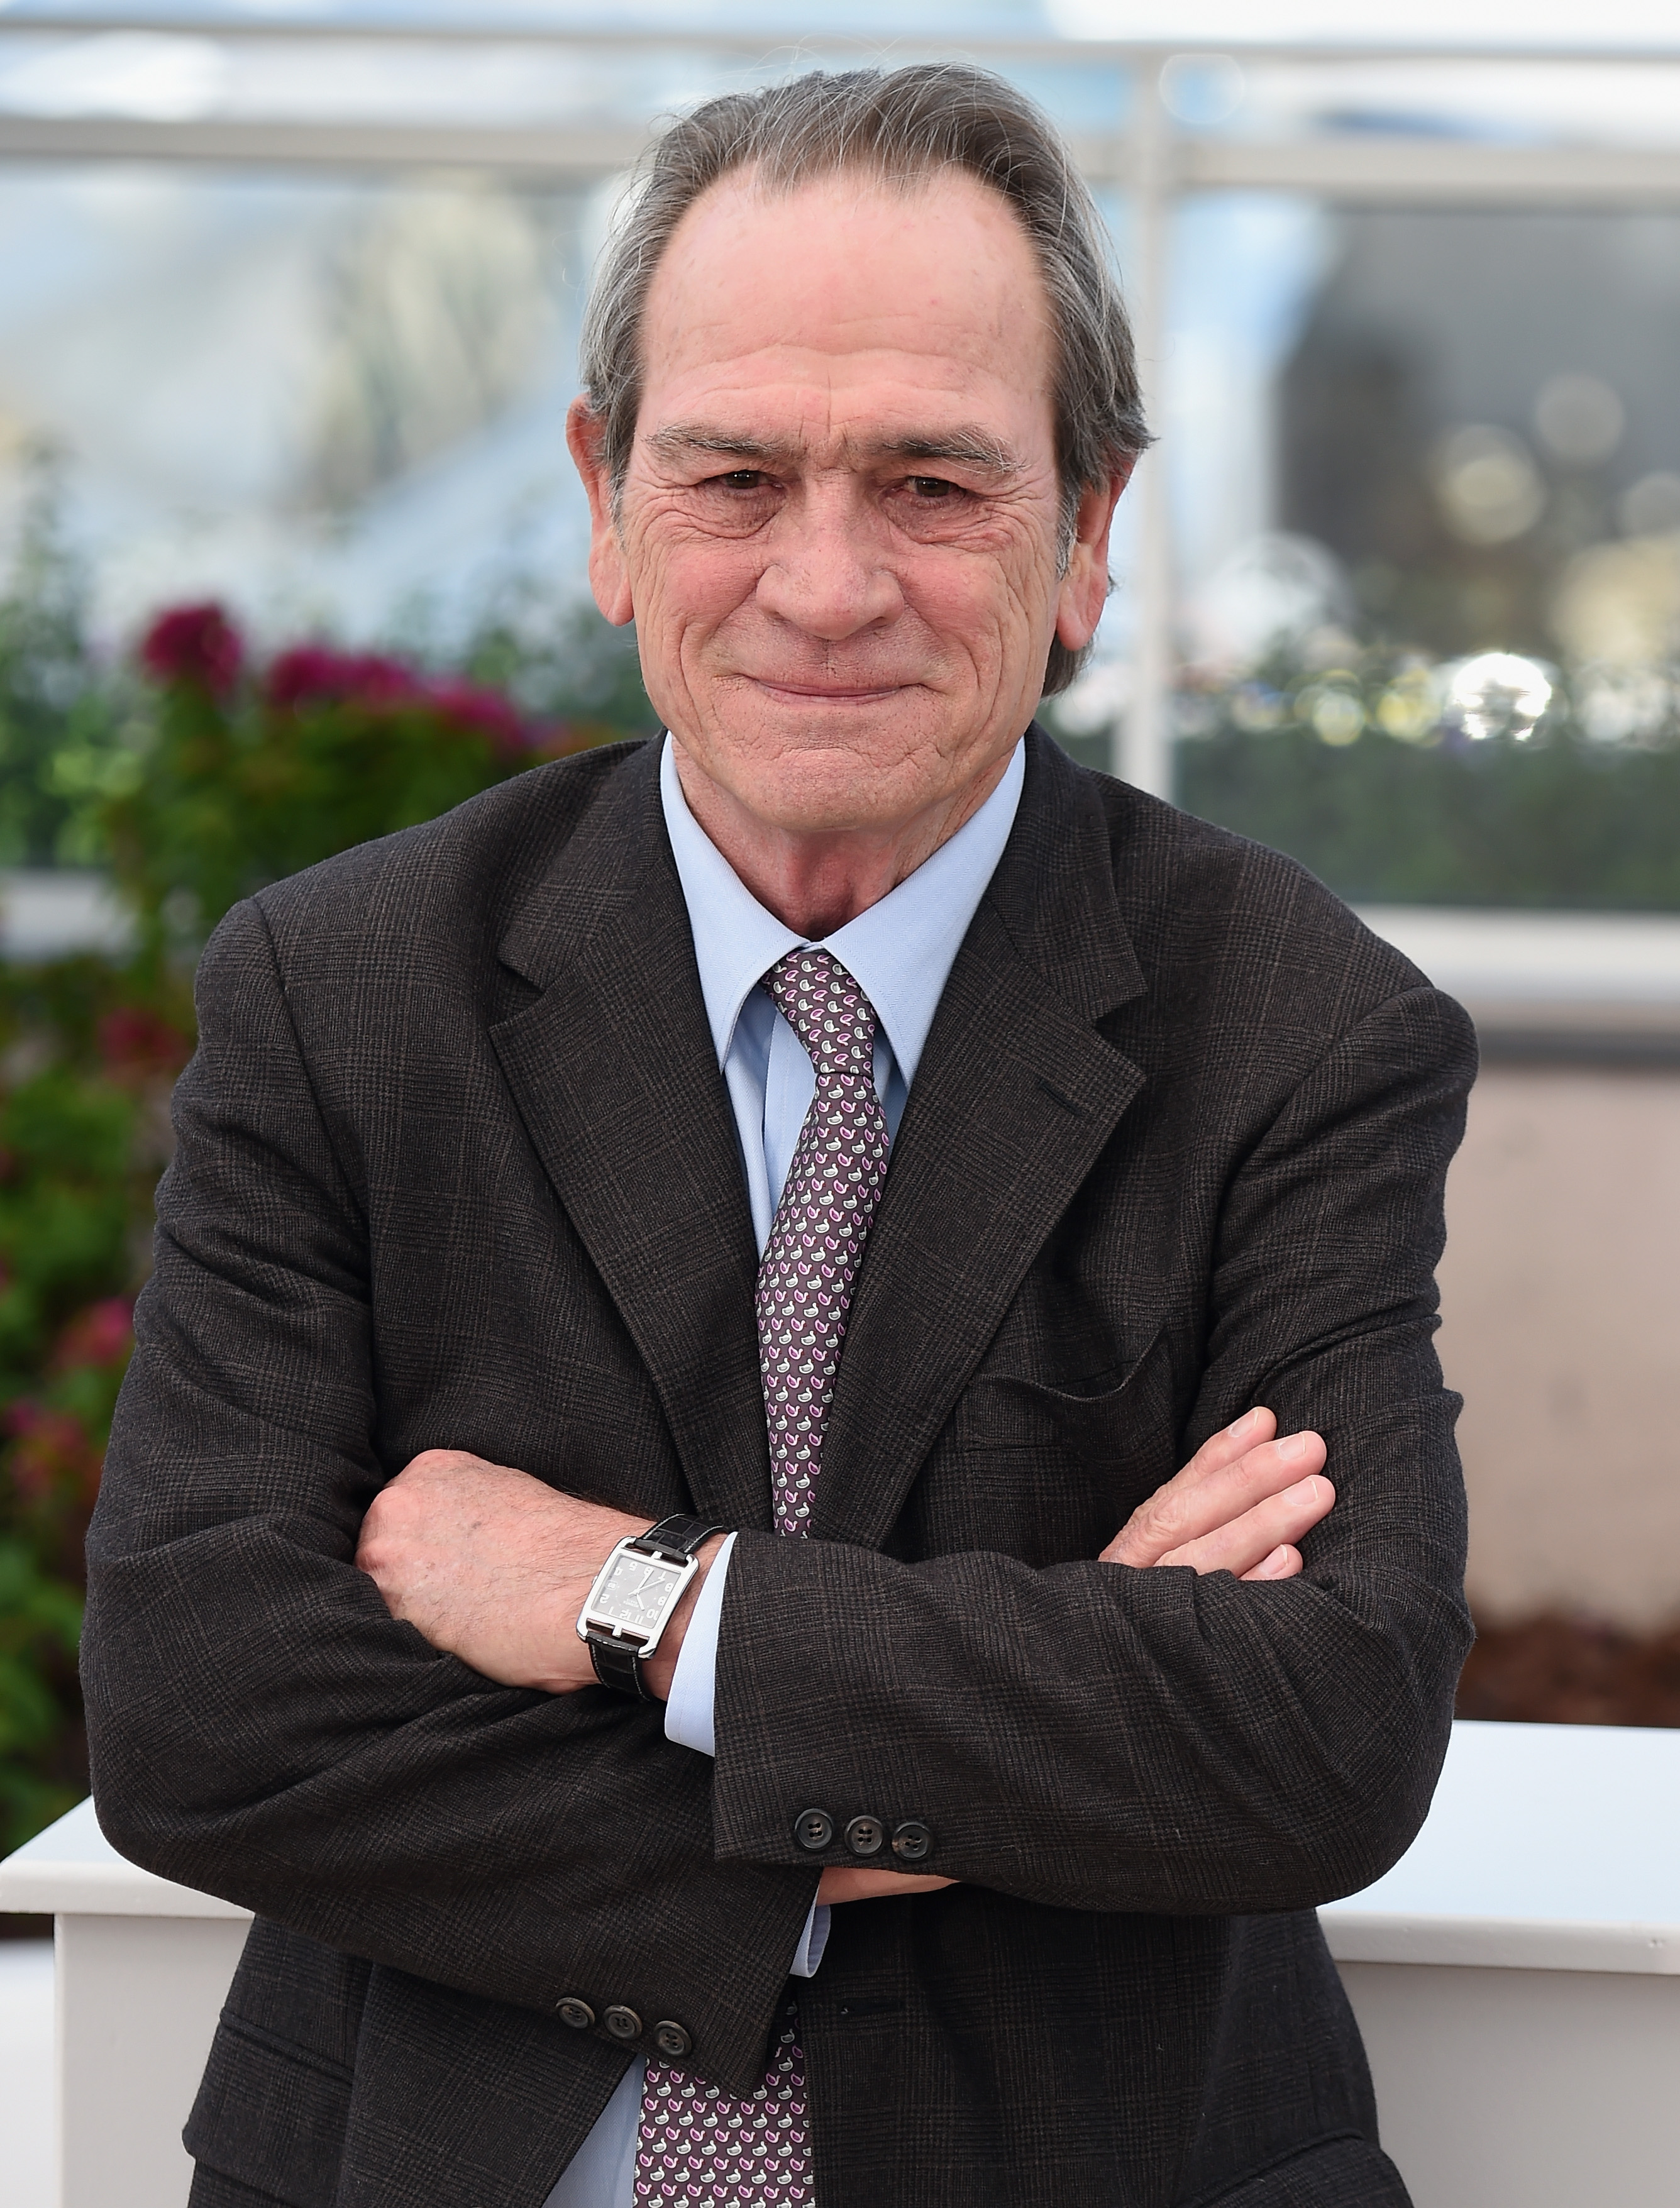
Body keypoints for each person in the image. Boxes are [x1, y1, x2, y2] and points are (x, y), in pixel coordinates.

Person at [82, 63, 1476, 2208]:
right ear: (606, 502)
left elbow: (1319, 1729)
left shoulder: (1299, 1030)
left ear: (1093, 525)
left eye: (934, 484)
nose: (826, 589)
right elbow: (203, 1711)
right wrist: (892, 1812)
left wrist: (643, 1603)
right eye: (736, 475)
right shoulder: (344, 995)